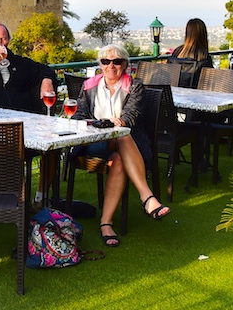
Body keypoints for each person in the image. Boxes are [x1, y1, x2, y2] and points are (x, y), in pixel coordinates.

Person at [73, 44, 170, 248]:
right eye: (106, 61)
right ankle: (147, 197)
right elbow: (79, 115)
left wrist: (120, 123)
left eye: (117, 61)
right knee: (120, 137)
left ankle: (106, 223)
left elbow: (131, 116)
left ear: (125, 64)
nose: (111, 66)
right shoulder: (89, 86)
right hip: (95, 142)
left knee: (120, 148)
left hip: (130, 145)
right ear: (100, 64)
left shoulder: (134, 86)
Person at [168, 18, 214, 87]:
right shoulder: (203, 55)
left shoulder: (177, 52)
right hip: (196, 95)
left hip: (175, 93)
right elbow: (211, 81)